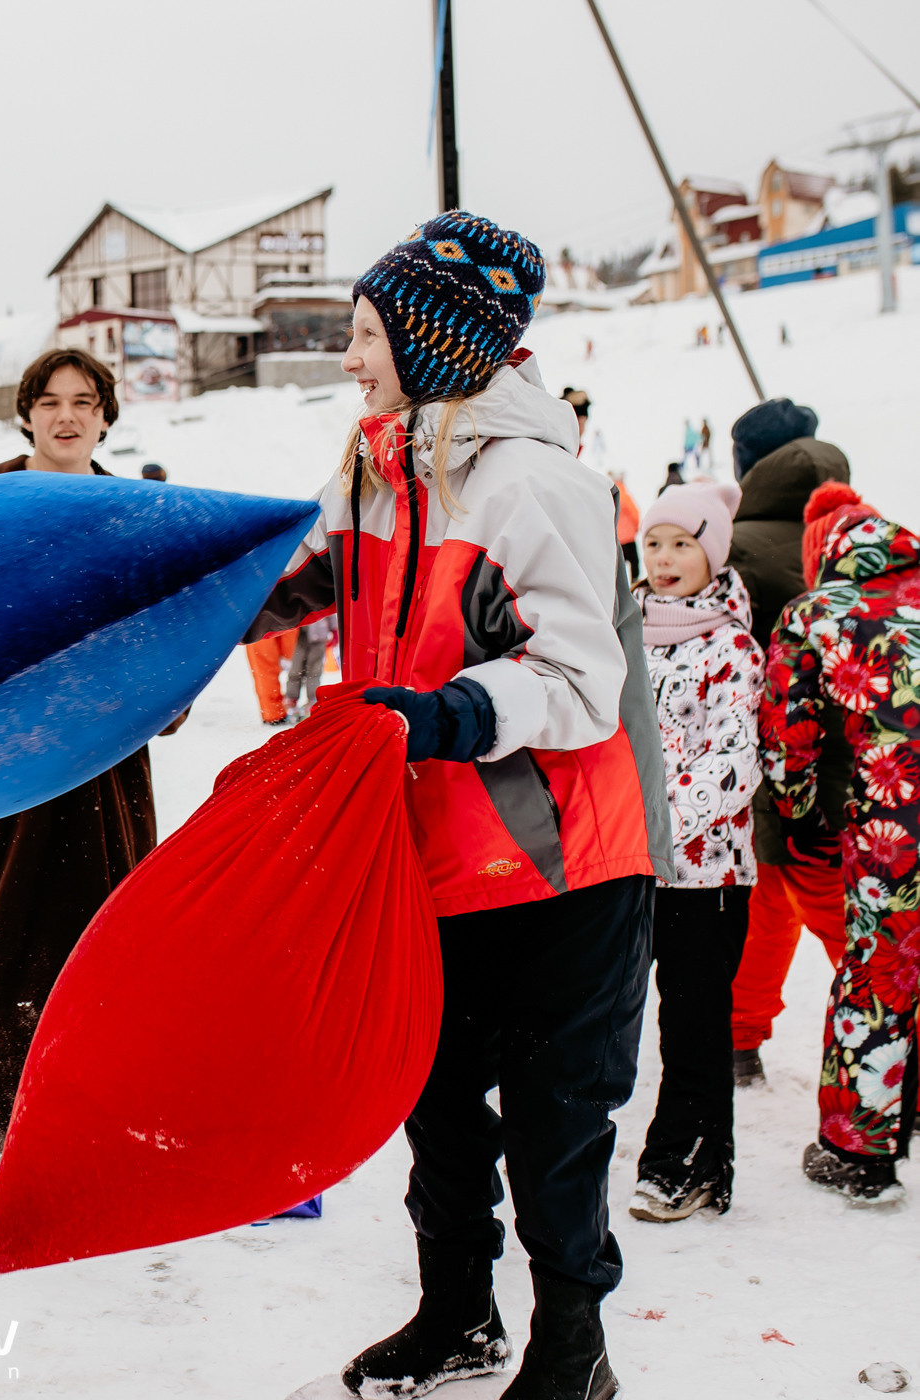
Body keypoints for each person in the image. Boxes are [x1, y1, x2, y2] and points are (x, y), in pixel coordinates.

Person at [247, 212, 667, 1400]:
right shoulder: (380, 468)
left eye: (365, 332)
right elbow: (316, 576)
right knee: (432, 1104)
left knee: (554, 1122)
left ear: (431, 343)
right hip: (427, 854)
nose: (348, 356)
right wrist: (203, 627)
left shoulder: (539, 483)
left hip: (558, 864)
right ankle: (457, 1311)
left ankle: (573, 1346)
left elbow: (587, 678)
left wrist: (441, 715)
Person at [0, 347, 183, 1216]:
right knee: (3, 938)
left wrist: (161, 691)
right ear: (27, 416)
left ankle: (87, 1126)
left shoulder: (133, 517)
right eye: (50, 402)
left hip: (108, 767)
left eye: (84, 402)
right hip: (3, 766)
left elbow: (167, 639)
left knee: (101, 944)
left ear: (107, 416)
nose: (67, 416)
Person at [761, 482, 919, 1206]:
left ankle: (859, 1150)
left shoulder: (815, 614)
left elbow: (789, 735)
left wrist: (796, 816)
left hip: (892, 825)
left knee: (880, 971)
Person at [630, 481, 763, 1223]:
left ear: (711, 551)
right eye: (655, 542)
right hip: (627, 864)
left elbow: (735, 765)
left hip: (704, 873)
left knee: (692, 1020)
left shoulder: (733, 646)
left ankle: (688, 1162)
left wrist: (657, 823)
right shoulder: (627, 634)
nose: (667, 557)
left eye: (683, 542)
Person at [723, 399, 853, 1086]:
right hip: (864, 767)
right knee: (788, 903)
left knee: (792, 908)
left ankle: (739, 1042)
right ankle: (739, 1037)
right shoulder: (857, 534)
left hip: (773, 768)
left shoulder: (735, 551)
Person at [246, 627, 296, 724]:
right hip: (266, 638)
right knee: (267, 678)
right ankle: (274, 714)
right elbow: (290, 629)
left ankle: (269, 712)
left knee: (261, 677)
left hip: (253, 636)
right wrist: (287, 655)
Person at [286, 615, 332, 720]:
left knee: (314, 671)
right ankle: (291, 700)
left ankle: (312, 700)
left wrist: (334, 630)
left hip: (319, 636)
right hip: (299, 635)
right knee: (296, 669)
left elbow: (331, 612)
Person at [611, 469, 641, 577]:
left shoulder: (609, 495)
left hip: (617, 538)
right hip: (629, 536)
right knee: (634, 561)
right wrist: (636, 527)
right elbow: (635, 512)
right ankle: (634, 580)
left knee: (620, 565)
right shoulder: (625, 495)